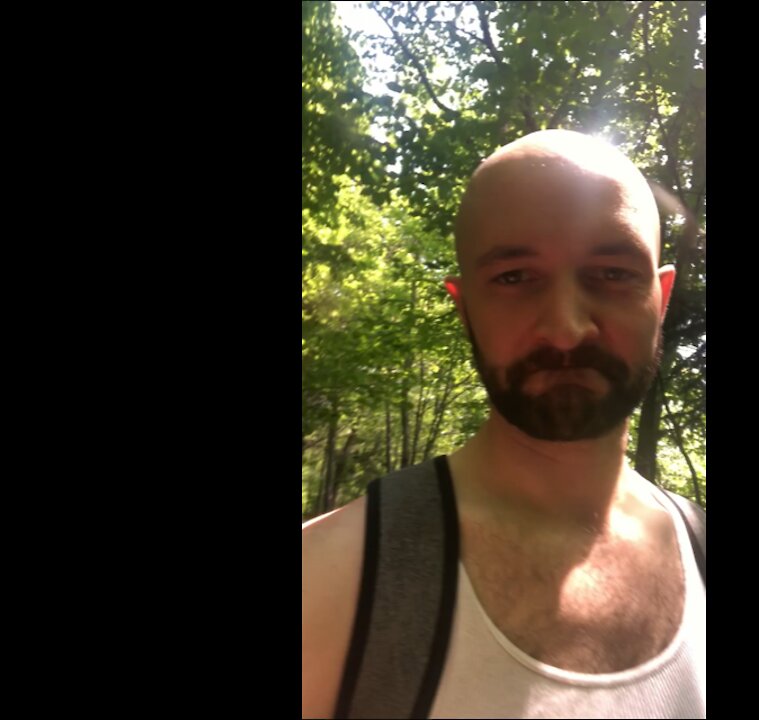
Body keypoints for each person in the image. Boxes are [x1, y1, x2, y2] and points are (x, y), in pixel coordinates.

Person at [302, 129, 705, 719]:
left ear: (661, 297)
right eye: (514, 278)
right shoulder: (325, 581)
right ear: (464, 307)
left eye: (612, 273)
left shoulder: (701, 555)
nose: (566, 330)